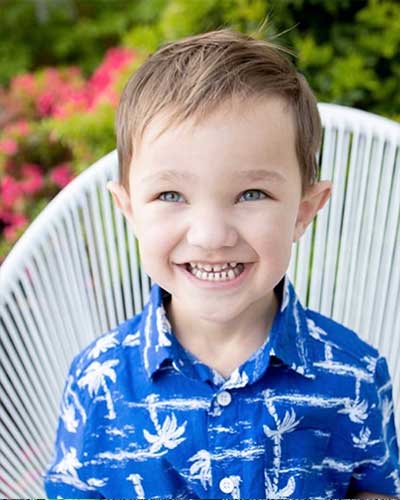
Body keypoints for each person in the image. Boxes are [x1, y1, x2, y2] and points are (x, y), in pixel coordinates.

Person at [43, 29, 400, 499]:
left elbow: (375, 489)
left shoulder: (354, 374)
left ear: (303, 211)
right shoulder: (99, 379)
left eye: (252, 194)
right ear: (129, 211)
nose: (211, 235)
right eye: (171, 195)